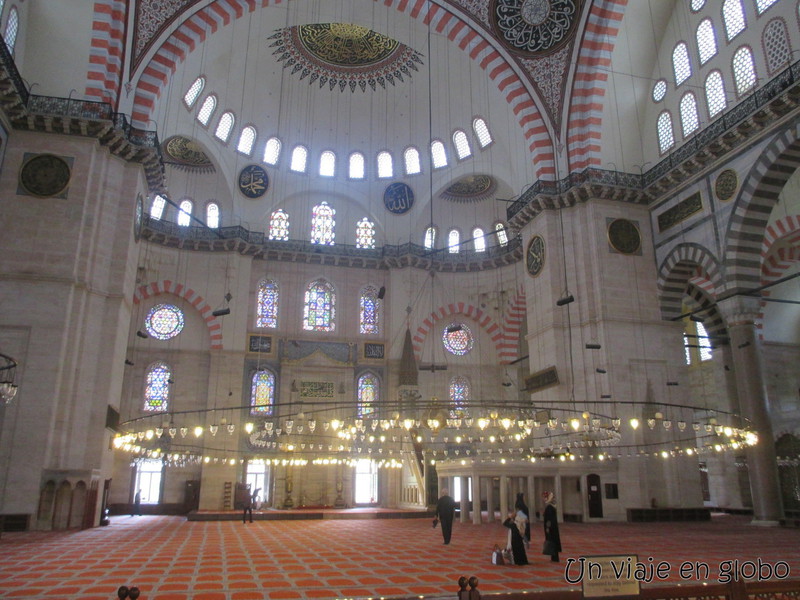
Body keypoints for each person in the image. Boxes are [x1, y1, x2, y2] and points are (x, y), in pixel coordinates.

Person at [542, 491, 562, 562]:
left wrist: (548, 528)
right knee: (553, 541)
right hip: (553, 527)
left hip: (551, 528)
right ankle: (554, 557)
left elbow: (549, 519)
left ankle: (555, 558)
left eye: (545, 497)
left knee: (552, 541)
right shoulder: (551, 506)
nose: (544, 499)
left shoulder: (549, 507)